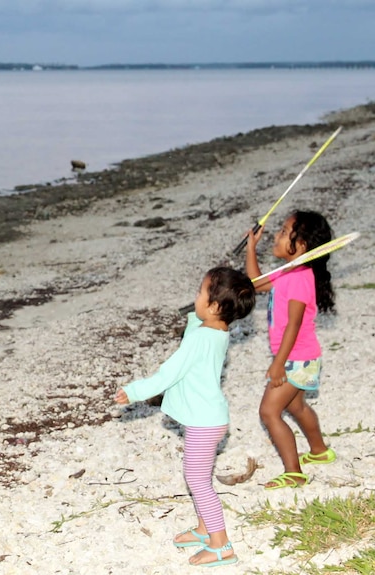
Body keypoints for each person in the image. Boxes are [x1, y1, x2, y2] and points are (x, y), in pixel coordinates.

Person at [114, 267, 256, 567]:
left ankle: (221, 545)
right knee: (198, 477)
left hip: (205, 423)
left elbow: (170, 371)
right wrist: (198, 315)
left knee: (197, 480)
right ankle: (206, 530)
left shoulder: (201, 338)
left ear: (216, 306)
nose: (195, 297)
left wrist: (135, 391)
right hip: (209, 418)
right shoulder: (216, 331)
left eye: (200, 293)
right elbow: (194, 337)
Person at [245, 210, 337, 490]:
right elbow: (257, 283)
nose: (277, 235)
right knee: (296, 405)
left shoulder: (299, 278)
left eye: (285, 232)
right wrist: (251, 247)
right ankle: (320, 452)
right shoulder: (291, 272)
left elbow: (293, 325)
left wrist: (278, 364)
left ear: (302, 246)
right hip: (303, 357)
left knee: (269, 412)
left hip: (295, 358)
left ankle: (294, 472)